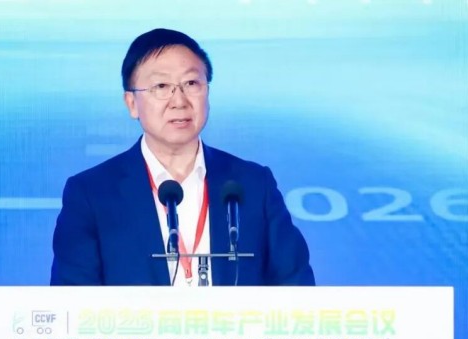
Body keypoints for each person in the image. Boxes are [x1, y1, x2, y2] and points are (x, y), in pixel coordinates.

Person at [51, 28, 314, 286]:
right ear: (131, 103)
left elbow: (297, 286)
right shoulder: (91, 193)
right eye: (161, 86)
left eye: (191, 84)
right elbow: (71, 299)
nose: (179, 101)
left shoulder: (253, 183)